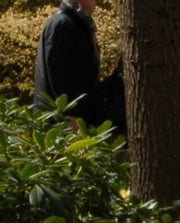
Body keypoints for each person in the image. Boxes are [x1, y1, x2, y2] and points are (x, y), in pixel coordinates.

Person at [34, 0, 125, 132]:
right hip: (61, 125)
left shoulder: (78, 24)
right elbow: (58, 75)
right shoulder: (63, 24)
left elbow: (86, 82)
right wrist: (70, 117)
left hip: (73, 120)